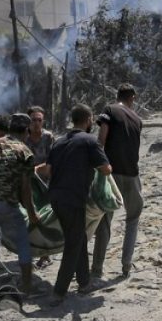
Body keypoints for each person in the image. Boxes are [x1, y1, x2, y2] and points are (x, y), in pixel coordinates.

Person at [46, 104, 112, 306]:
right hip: (73, 199)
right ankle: (59, 291)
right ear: (89, 119)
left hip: (56, 198)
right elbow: (106, 169)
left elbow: (48, 171)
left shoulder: (58, 142)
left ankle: (84, 282)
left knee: (79, 236)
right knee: (73, 243)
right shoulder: (90, 141)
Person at [0, 113, 39, 293]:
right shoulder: (24, 152)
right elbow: (25, 189)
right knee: (23, 244)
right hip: (7, 205)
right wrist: (32, 213)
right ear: (27, 131)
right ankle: (27, 286)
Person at [92, 83, 145, 280]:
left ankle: (97, 269)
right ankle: (126, 265)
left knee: (105, 220)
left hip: (111, 173)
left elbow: (101, 140)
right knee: (133, 219)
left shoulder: (110, 110)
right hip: (132, 174)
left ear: (118, 96)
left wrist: (96, 164)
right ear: (132, 97)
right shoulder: (138, 119)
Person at [24, 106, 55, 170]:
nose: (37, 123)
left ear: (43, 122)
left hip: (43, 175)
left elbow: (52, 160)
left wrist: (37, 169)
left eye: (40, 120)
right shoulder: (24, 137)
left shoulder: (48, 137)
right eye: (34, 120)